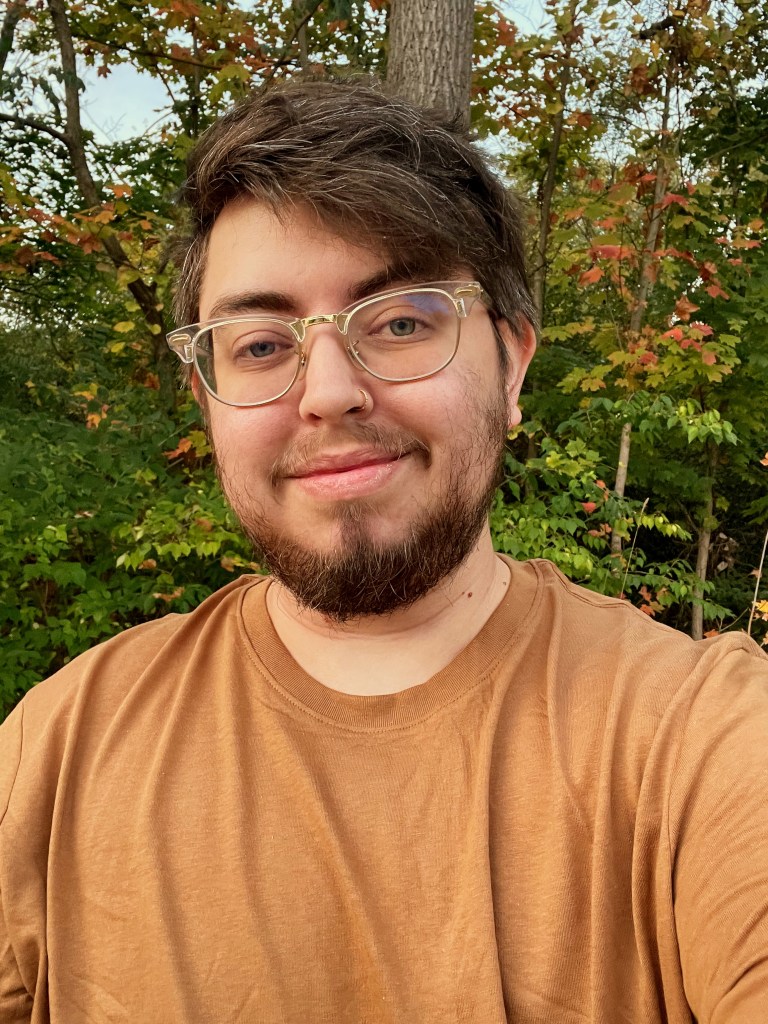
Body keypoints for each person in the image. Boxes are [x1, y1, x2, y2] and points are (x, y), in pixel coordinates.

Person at [1, 78, 767, 1024]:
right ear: (205, 398)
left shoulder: (705, 740)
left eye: (401, 322)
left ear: (512, 362)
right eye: (259, 343)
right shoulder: (56, 748)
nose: (327, 391)